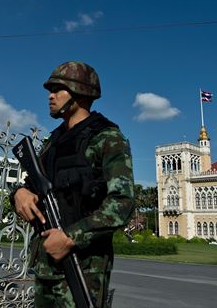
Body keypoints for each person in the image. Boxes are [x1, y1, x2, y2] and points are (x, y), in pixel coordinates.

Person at [12, 61, 134, 308]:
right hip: (47, 263)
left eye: (58, 89)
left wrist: (70, 237)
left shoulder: (107, 138)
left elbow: (122, 203)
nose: (51, 96)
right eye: (50, 90)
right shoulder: (53, 141)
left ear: (80, 93)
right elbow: (32, 185)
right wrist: (19, 193)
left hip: (84, 265)